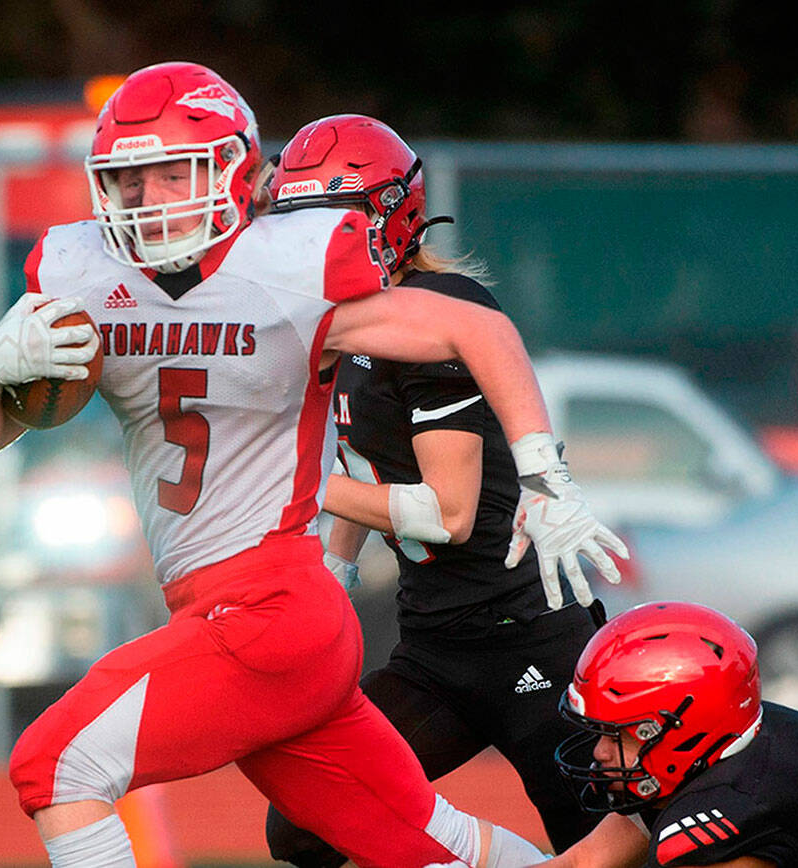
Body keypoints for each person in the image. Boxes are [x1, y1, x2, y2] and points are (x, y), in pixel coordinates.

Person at [0, 61, 622, 868]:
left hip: (270, 609)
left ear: (233, 170)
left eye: (173, 173)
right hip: (246, 611)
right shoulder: (85, 275)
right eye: (130, 179)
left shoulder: (288, 270)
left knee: (56, 764)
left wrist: (546, 476)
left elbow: (474, 330)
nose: (152, 199)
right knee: (430, 845)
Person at [259, 114, 607, 868]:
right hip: (434, 650)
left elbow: (445, 515)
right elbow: (358, 460)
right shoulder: (344, 323)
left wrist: (294, 486)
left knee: (600, 850)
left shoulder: (431, 317)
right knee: (305, 824)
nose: (309, 246)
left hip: (529, 637)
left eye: (330, 221)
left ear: (390, 219)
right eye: (295, 222)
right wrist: (333, 577)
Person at [538, 600, 798, 868]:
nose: (599, 752)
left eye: (620, 734)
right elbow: (581, 862)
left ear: (681, 731)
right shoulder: (738, 740)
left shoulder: (733, 811)